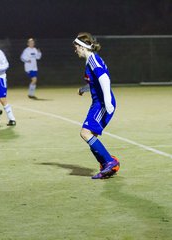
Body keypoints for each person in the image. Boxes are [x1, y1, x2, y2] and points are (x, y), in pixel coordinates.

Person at [73, 32, 120, 179]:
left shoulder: (93, 60)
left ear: (82, 47)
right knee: (89, 134)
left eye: (76, 47)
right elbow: (96, 82)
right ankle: (108, 165)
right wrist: (85, 89)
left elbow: (104, 78)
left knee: (85, 133)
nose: (75, 50)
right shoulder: (90, 60)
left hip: (101, 104)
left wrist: (107, 102)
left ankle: (109, 162)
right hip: (98, 103)